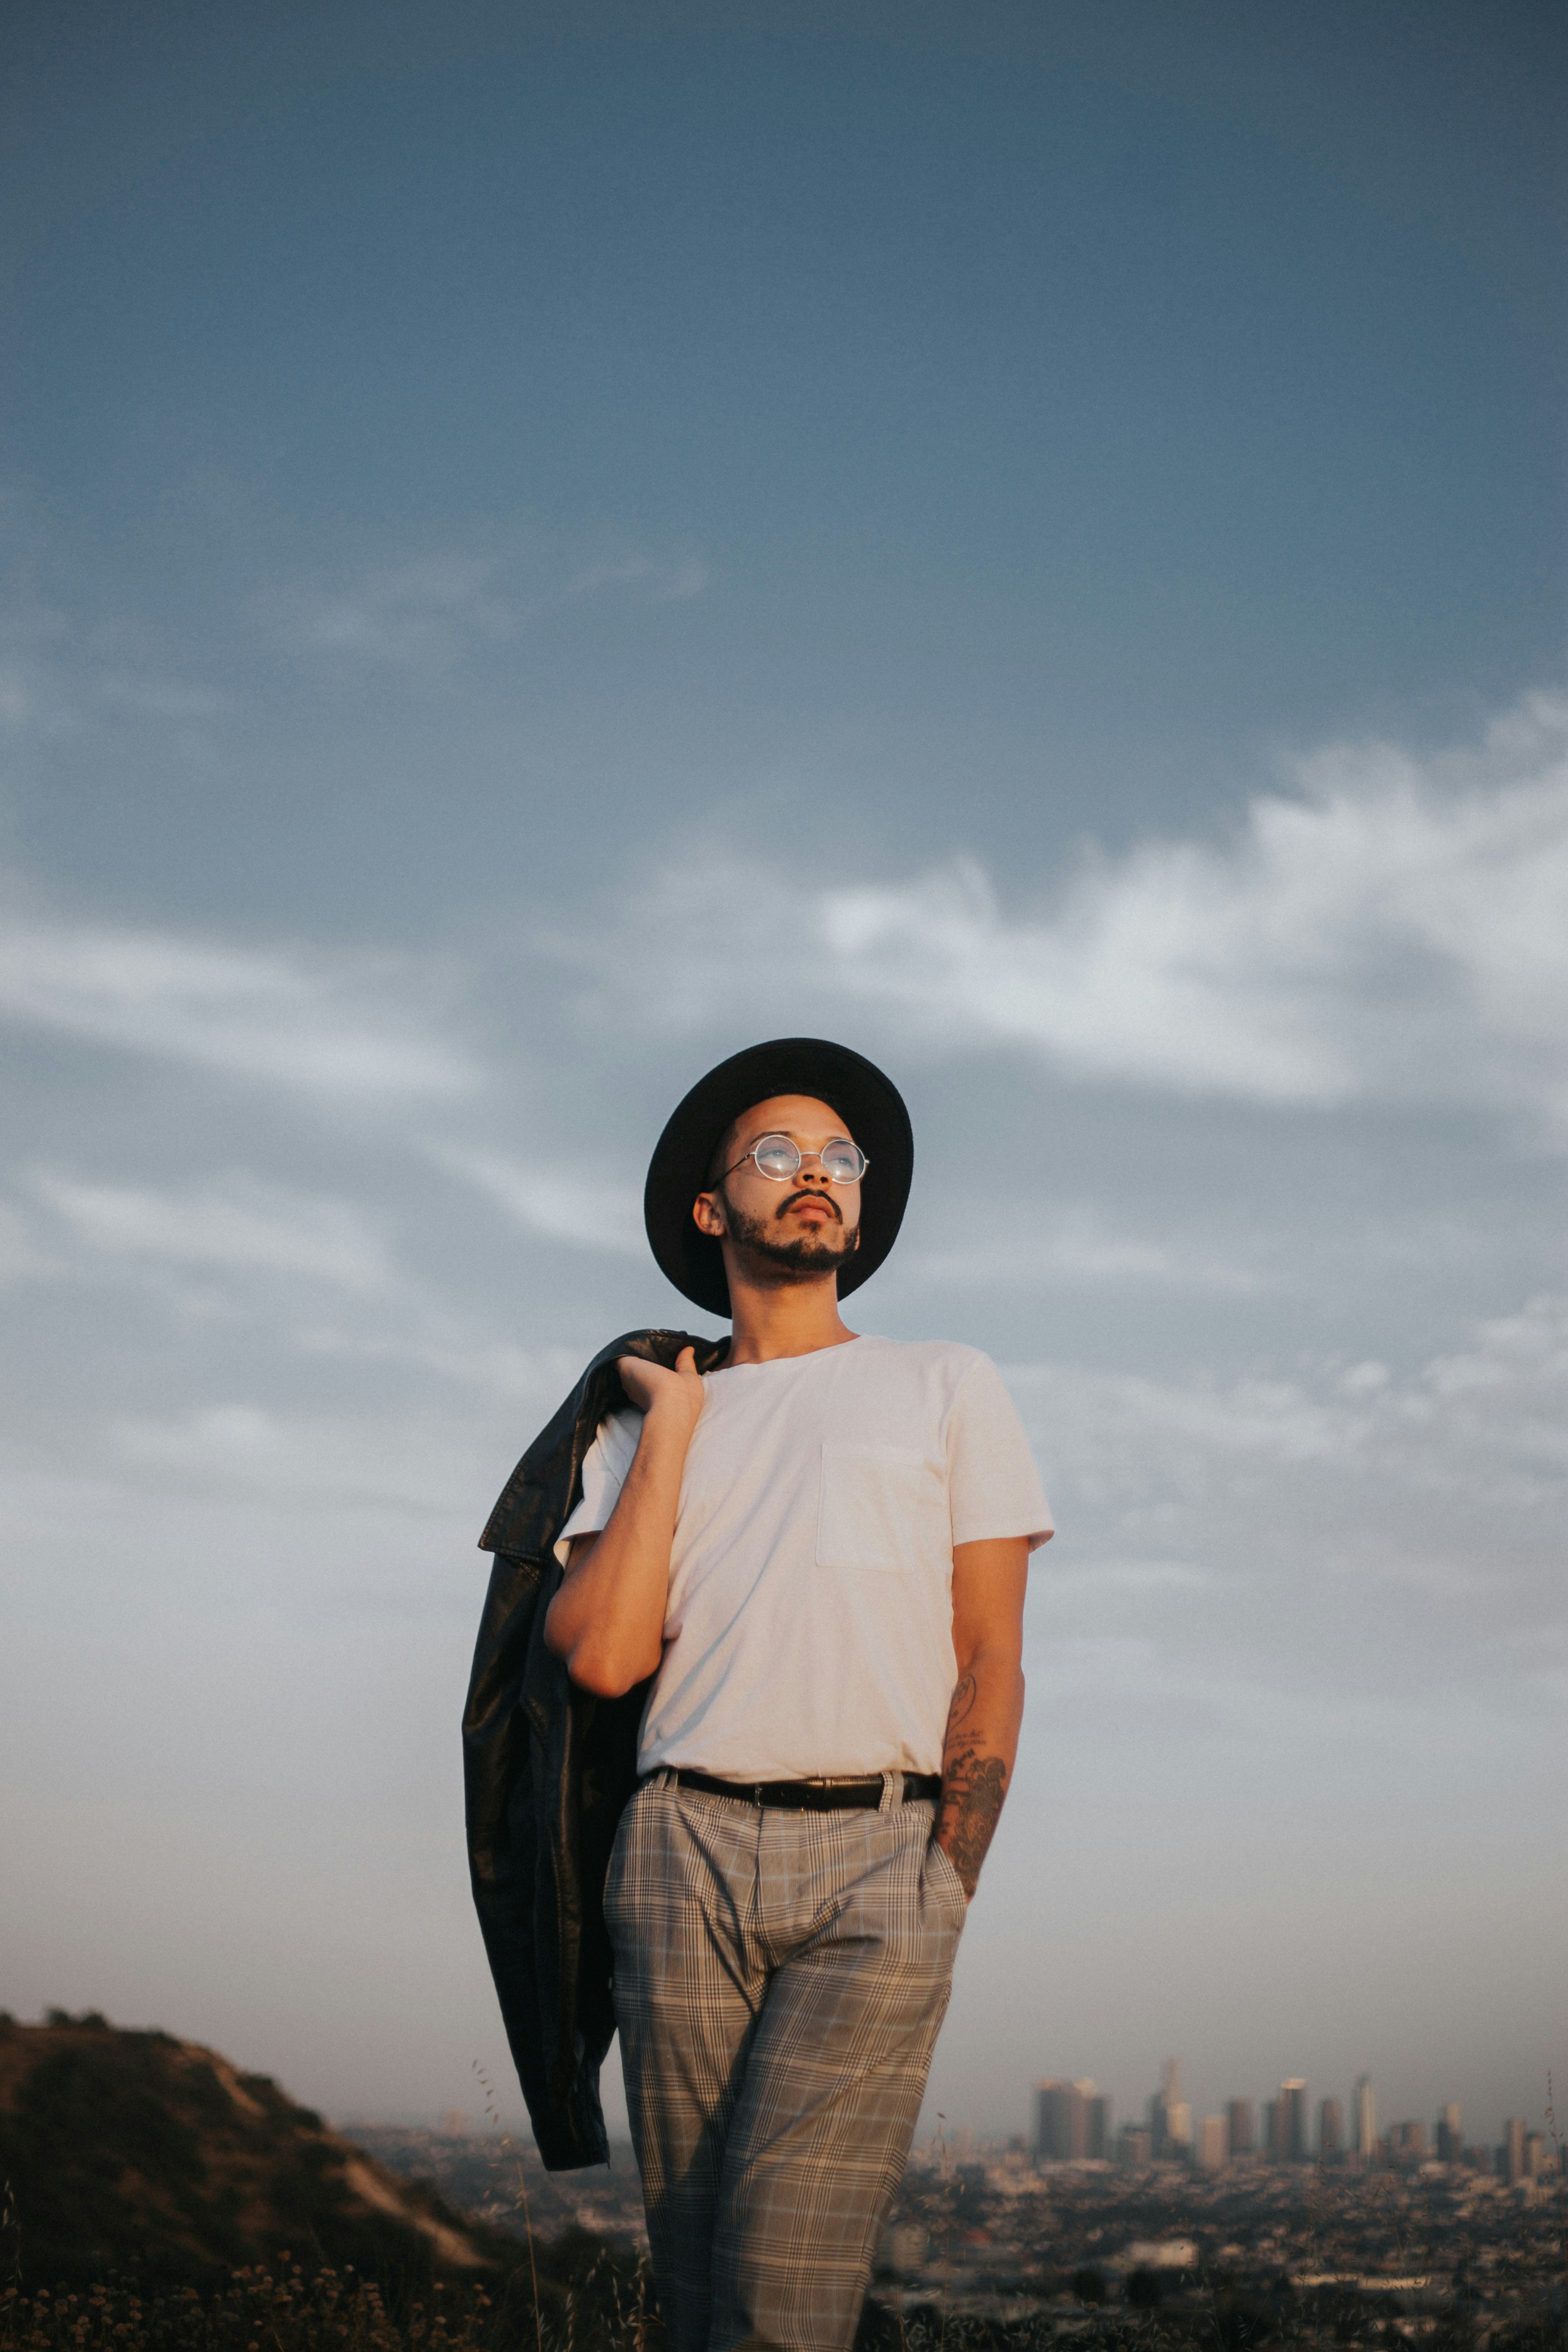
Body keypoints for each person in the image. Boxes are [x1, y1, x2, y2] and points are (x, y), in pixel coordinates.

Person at [538, 1036, 1052, 2352]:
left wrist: (945, 1878)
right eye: (777, 1153)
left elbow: (991, 1652)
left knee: (784, 2298)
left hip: (883, 1860)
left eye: (839, 1158)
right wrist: (676, 1428)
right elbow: (600, 1655)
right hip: (679, 1854)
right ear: (714, 1209)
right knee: (702, 2280)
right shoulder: (641, 1417)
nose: (814, 1173)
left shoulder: (945, 1383)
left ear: (862, 1205)